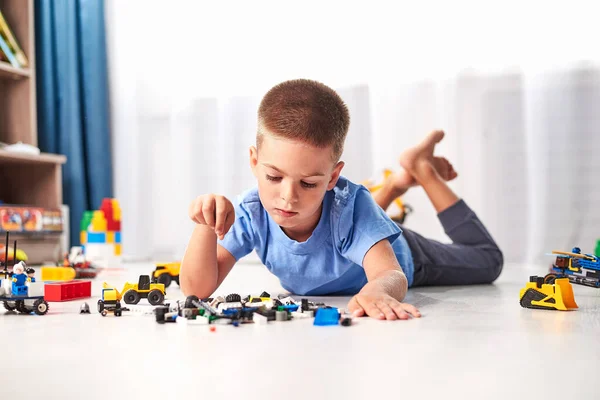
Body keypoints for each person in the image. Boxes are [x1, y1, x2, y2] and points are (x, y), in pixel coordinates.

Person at [180, 79, 503, 320]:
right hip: (355, 220)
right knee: (351, 213)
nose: (288, 197)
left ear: (332, 177)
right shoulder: (250, 212)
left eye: (308, 183)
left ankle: (422, 170)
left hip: (409, 256)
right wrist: (205, 226)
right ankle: (395, 185)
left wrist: (377, 289)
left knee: (489, 261)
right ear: (254, 162)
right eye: (274, 177)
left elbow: (390, 274)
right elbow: (196, 289)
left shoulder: (349, 206)